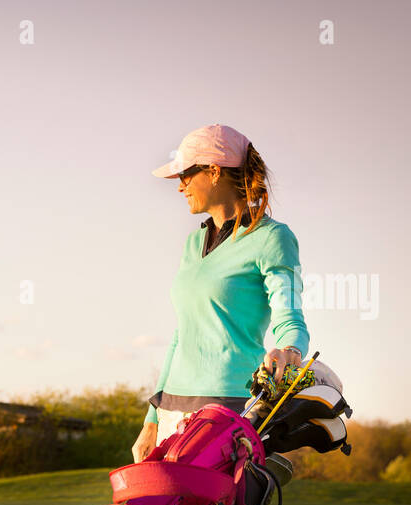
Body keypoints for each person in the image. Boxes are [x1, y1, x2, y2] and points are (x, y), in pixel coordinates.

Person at [132, 124, 309, 462]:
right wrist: (152, 420)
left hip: (227, 413)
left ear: (213, 172)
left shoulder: (273, 238)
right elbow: (181, 334)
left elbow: (291, 317)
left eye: (186, 175)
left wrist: (289, 351)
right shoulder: (192, 243)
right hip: (172, 411)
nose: (181, 186)